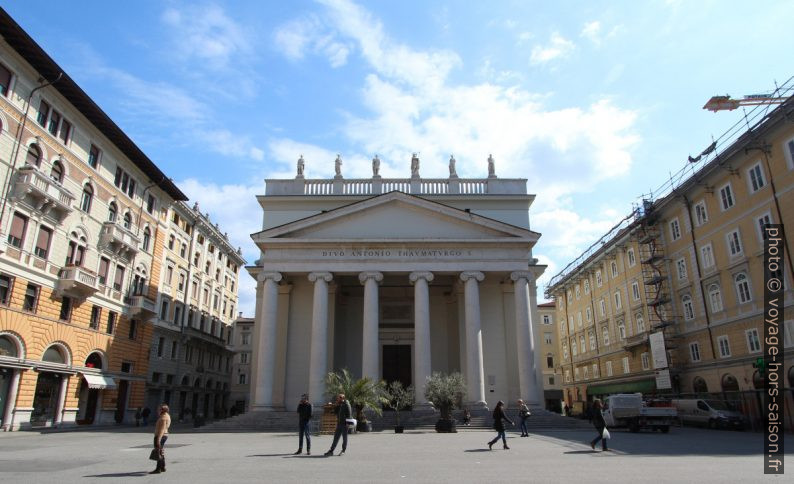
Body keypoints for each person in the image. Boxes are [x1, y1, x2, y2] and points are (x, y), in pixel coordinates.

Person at [150, 404, 171, 474]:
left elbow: (162, 429)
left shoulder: (163, 418)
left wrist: (158, 439)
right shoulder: (167, 416)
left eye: (159, 409)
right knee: (161, 452)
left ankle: (158, 469)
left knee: (158, 452)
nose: (157, 410)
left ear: (162, 410)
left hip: (160, 436)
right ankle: (162, 467)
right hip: (164, 435)